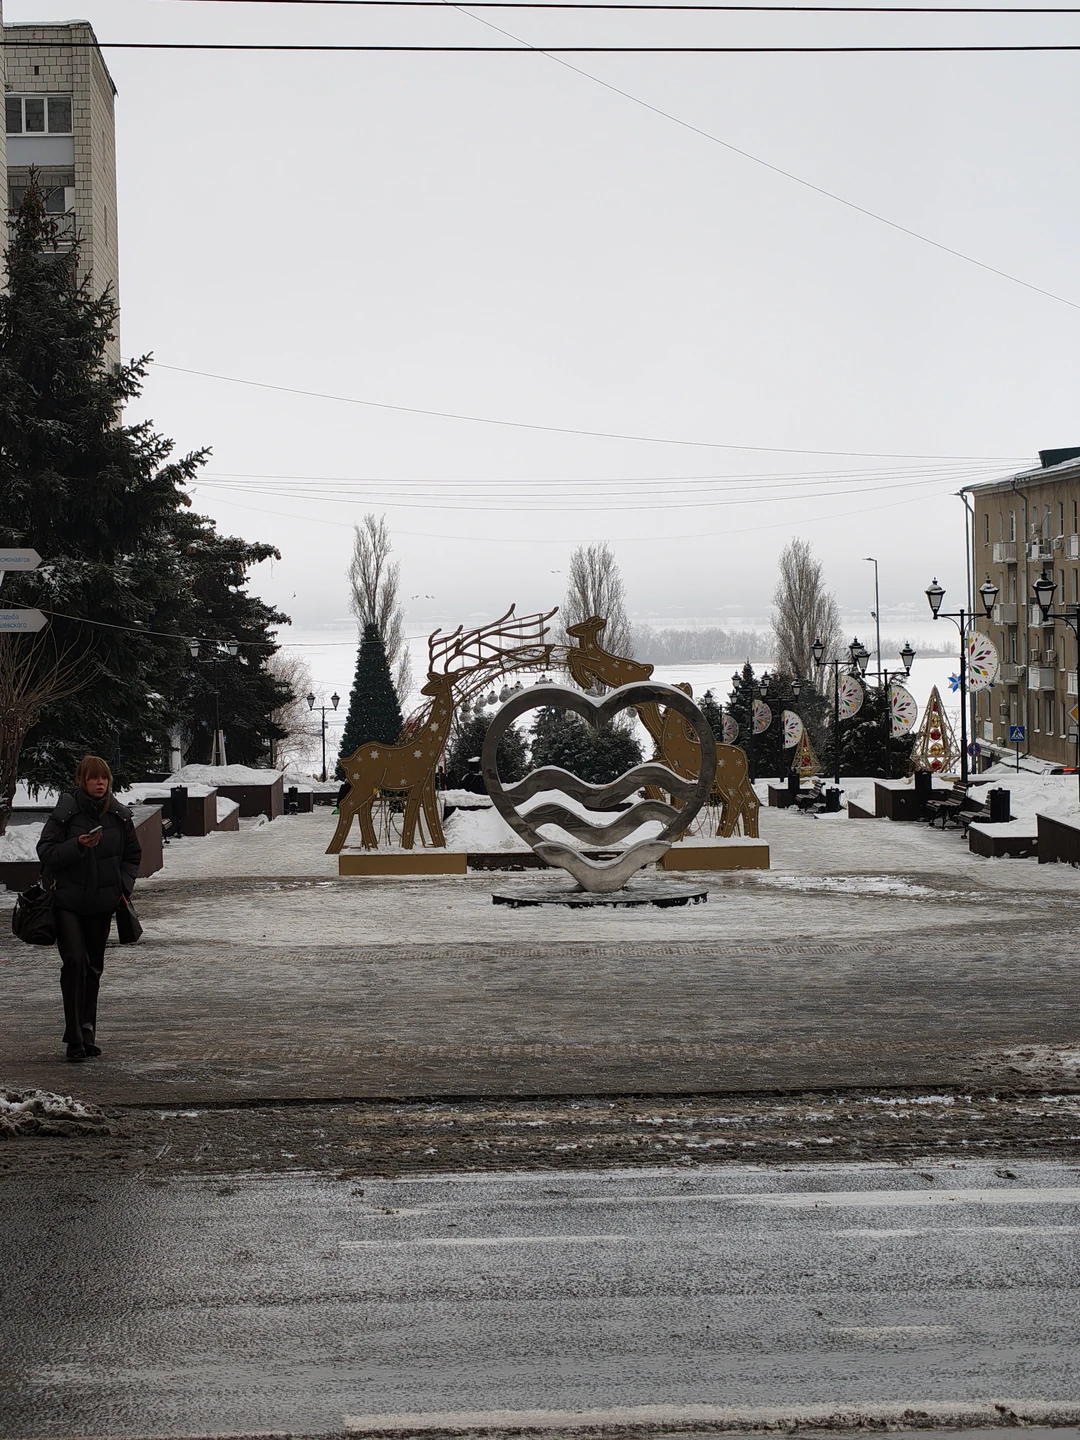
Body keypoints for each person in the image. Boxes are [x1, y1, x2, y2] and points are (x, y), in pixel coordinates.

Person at [37, 755, 142, 1063]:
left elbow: (133, 855)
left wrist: (121, 886)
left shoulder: (119, 817)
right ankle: (73, 1038)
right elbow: (45, 851)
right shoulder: (67, 813)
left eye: (104, 778)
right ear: (82, 781)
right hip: (67, 903)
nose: (100, 783)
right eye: (94, 778)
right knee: (75, 964)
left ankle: (87, 1033)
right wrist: (78, 846)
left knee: (93, 968)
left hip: (101, 905)